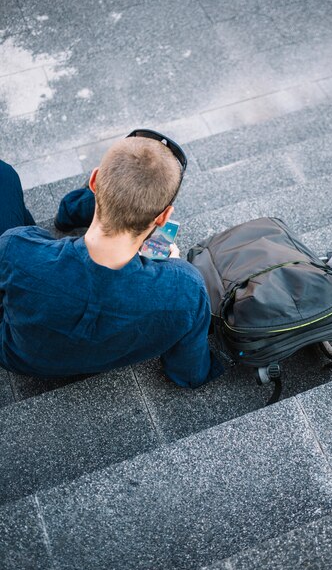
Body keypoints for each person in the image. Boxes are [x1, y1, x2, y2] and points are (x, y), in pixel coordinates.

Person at [0, 130, 223, 387]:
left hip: (20, 356)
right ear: (164, 217)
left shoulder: (17, 247)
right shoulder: (188, 287)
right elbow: (189, 372)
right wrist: (172, 269)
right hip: (106, 351)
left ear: (94, 181)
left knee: (4, 175)